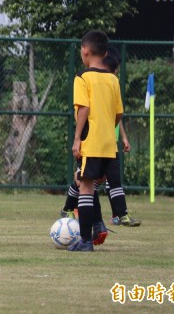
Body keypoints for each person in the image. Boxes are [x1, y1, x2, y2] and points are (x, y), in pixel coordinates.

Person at [60, 47, 141, 226]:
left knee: (108, 179)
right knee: (84, 180)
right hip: (91, 142)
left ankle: (117, 216)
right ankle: (72, 211)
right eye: (115, 68)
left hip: (108, 143)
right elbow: (85, 109)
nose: (116, 72)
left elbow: (115, 114)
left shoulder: (112, 82)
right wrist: (78, 138)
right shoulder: (89, 79)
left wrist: (124, 137)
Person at [68, 30, 124, 252]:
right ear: (105, 52)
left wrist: (76, 138)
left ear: (85, 50)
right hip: (109, 144)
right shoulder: (113, 79)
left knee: (86, 187)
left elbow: (84, 109)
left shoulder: (83, 78)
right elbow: (119, 113)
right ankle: (100, 224)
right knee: (99, 185)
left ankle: (85, 241)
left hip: (90, 142)